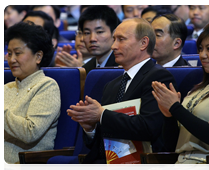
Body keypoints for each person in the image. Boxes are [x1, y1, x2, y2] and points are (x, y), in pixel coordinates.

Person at [67, 18, 178, 170]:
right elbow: (100, 142)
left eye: (121, 39)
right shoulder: (112, 85)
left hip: (140, 164)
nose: (113, 46)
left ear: (143, 43)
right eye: (114, 40)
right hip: (103, 163)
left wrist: (102, 115)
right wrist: (90, 128)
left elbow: (149, 128)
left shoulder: (158, 77)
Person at [152, 19, 209, 169]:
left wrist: (175, 108)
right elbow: (171, 144)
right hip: (179, 163)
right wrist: (169, 116)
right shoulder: (198, 88)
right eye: (200, 49)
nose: (202, 55)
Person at [4, 21, 61, 170]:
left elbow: (31, 132)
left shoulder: (47, 86)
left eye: (18, 53)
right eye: (9, 53)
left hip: (21, 165)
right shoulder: (5, 88)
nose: (11, 59)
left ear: (38, 56)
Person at [78, 5, 120, 74]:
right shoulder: (86, 69)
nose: (92, 39)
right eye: (87, 33)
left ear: (114, 33)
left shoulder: (122, 67)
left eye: (99, 32)